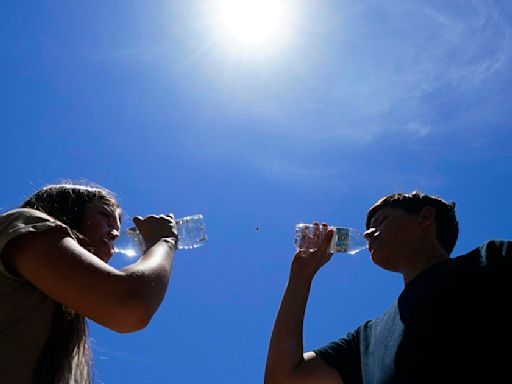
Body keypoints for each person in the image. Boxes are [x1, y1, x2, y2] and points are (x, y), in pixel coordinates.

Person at [264, 191, 512, 384]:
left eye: (382, 220)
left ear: (425, 217)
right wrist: (300, 278)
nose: (369, 234)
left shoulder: (491, 260)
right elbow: (284, 378)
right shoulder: (365, 340)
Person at [0, 183, 178, 384]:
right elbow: (129, 304)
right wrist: (163, 241)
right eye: (105, 215)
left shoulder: (63, 319)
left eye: (117, 227)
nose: (115, 233)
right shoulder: (22, 222)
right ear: (67, 209)